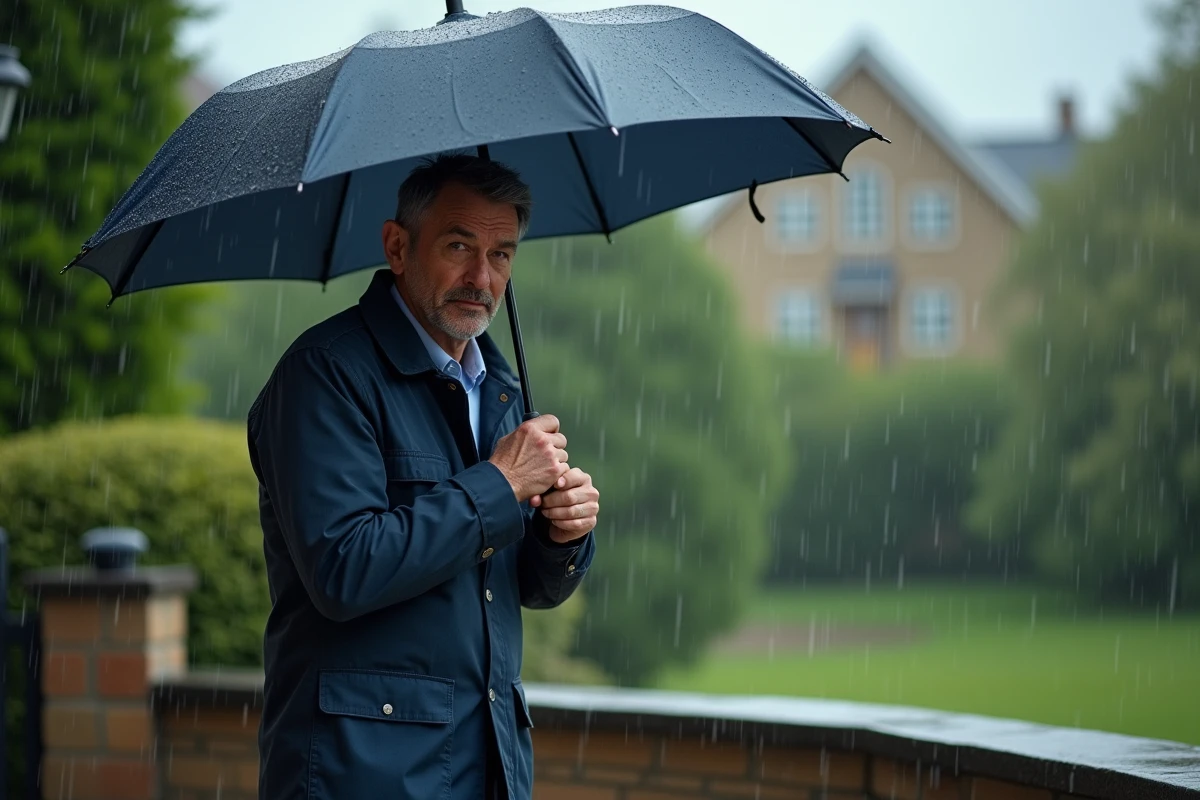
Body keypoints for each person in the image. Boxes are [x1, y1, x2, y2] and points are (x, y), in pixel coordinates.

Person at [246, 154, 599, 800]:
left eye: (502, 254)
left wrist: (560, 535)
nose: (481, 277)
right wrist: (498, 484)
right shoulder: (325, 376)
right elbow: (344, 568)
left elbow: (514, 587)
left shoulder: (499, 392)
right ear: (398, 246)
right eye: (459, 245)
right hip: (360, 773)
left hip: (484, 764)